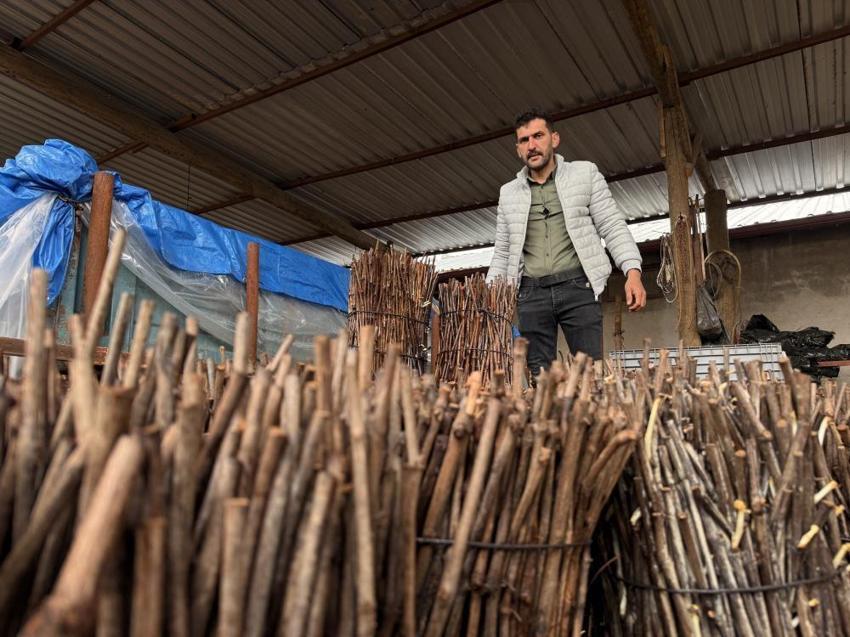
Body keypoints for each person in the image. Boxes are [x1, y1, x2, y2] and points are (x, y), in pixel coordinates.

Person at [486, 108, 646, 374]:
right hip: (530, 294)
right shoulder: (508, 193)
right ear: (518, 149)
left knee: (590, 374)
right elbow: (503, 251)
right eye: (524, 140)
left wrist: (633, 271)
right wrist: (490, 295)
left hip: (578, 287)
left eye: (538, 136)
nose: (532, 145)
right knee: (540, 377)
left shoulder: (585, 174)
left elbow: (612, 224)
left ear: (555, 139)